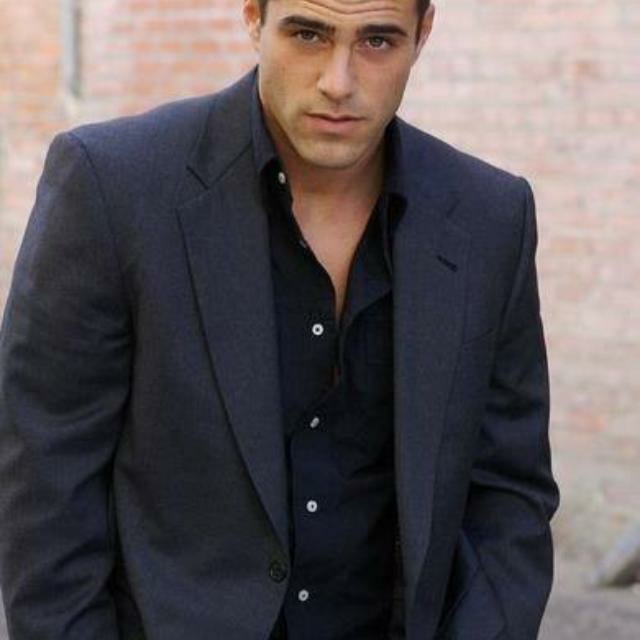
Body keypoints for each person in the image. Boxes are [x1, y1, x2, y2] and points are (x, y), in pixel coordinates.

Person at [0, 0, 560, 638]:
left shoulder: (491, 217)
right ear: (253, 18)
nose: (338, 82)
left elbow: (509, 492)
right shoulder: (112, 187)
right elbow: (44, 484)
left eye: (377, 41)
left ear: (423, 32)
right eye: (308, 34)